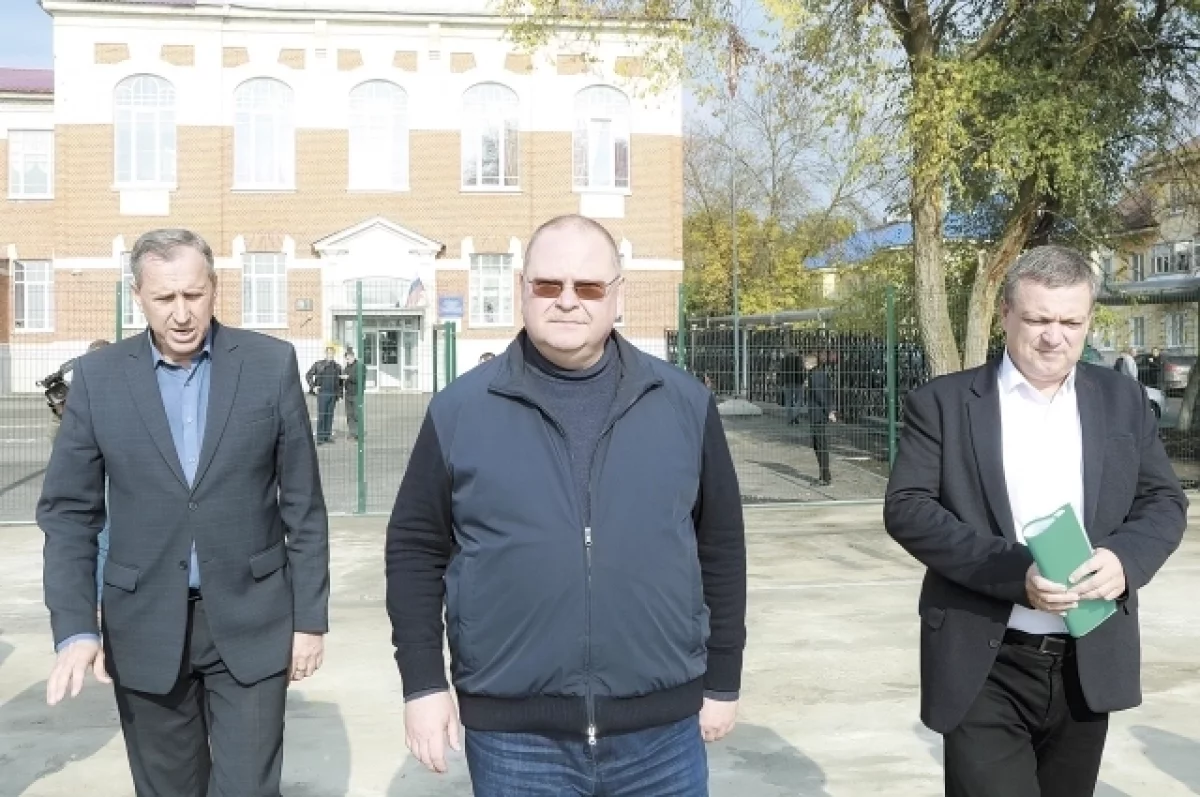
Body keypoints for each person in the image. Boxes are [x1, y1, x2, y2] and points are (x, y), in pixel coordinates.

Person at [386, 214, 747, 795]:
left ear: (617, 296)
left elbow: (721, 547)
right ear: (522, 289)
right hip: (515, 739)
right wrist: (423, 684)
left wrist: (723, 678)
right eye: (548, 284)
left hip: (660, 735)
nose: (568, 301)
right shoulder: (460, 411)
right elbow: (414, 550)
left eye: (589, 287)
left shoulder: (684, 404)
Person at [883, 245, 1187, 797]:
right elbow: (908, 508)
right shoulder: (943, 403)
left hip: (1087, 658)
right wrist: (1014, 573)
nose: (1054, 337)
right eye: (1039, 320)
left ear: (1089, 320)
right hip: (984, 659)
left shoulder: (1121, 399)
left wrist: (1125, 560)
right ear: (1005, 315)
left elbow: (1163, 501)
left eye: (1071, 322)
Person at [38, 228, 330, 796]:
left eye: (193, 295)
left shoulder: (269, 364)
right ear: (137, 296)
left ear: (214, 288)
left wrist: (309, 620)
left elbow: (303, 505)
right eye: (164, 297)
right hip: (143, 626)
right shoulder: (99, 378)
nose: (180, 314)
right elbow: (70, 515)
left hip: (253, 619)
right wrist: (75, 628)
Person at [804, 353, 835, 486]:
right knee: (820, 445)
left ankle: (824, 477)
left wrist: (828, 411)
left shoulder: (814, 376)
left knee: (820, 446)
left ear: (811, 363)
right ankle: (825, 475)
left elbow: (819, 395)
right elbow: (827, 392)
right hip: (820, 413)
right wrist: (830, 409)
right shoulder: (821, 373)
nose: (804, 365)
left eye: (805, 362)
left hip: (817, 414)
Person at [307, 346, 342, 444]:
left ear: (334, 354)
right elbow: (308, 375)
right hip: (322, 394)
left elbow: (340, 382)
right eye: (328, 353)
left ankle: (327, 436)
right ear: (325, 354)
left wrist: (339, 395)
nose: (330, 355)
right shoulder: (319, 364)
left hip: (333, 394)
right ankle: (320, 438)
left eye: (332, 353)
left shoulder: (337, 366)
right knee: (322, 415)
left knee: (330, 415)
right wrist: (313, 386)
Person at [778, 348, 805, 424]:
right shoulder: (798, 359)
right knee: (799, 399)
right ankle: (794, 415)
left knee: (788, 400)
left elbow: (781, 371)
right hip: (798, 381)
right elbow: (801, 369)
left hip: (787, 382)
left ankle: (790, 418)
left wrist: (782, 383)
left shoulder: (783, 360)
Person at [342, 347, 360, 441]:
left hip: (356, 393)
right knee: (349, 415)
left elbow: (358, 378)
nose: (347, 361)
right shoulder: (347, 367)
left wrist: (348, 377)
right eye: (346, 359)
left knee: (357, 414)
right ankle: (352, 432)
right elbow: (344, 376)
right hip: (348, 393)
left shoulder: (359, 366)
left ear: (353, 357)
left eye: (348, 359)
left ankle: (358, 434)